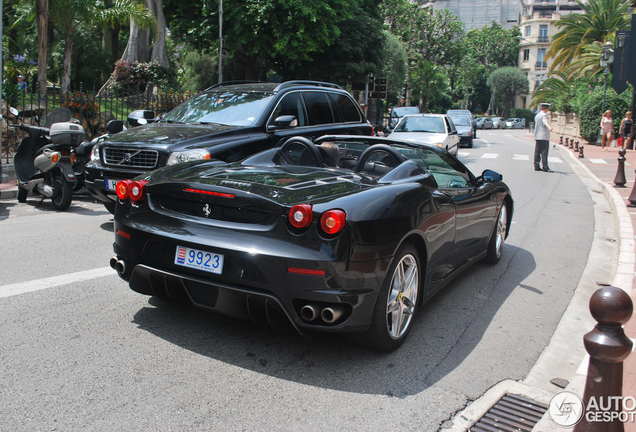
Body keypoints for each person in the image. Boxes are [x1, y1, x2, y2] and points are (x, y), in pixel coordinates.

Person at [534, 102, 554, 172]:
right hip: (543, 136)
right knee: (544, 152)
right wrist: (550, 127)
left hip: (537, 136)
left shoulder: (537, 115)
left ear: (541, 108)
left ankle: (536, 166)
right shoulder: (544, 115)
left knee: (537, 152)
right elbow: (545, 122)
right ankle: (545, 167)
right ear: (547, 108)